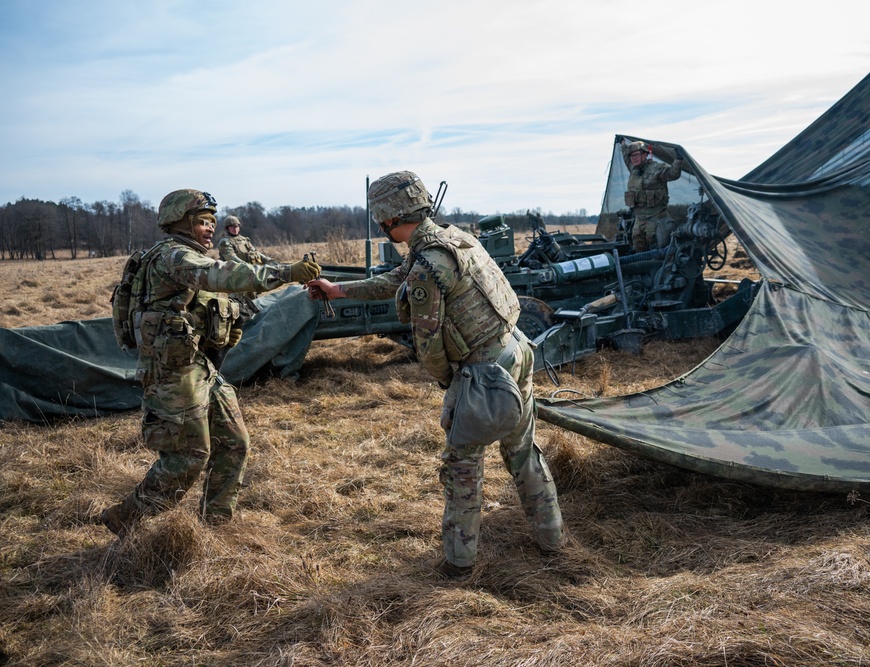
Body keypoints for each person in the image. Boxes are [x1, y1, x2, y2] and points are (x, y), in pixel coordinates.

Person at [306, 171, 566, 580]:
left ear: (387, 219)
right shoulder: (451, 237)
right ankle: (554, 542)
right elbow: (399, 279)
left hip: (483, 374)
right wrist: (340, 290)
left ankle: (458, 566)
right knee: (524, 454)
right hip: (516, 350)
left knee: (462, 467)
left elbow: (427, 345)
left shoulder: (428, 262)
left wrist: (450, 385)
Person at [100, 189, 321, 537]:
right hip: (173, 374)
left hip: (200, 366)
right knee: (188, 456)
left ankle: (214, 525)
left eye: (212, 222)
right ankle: (126, 517)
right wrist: (286, 272)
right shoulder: (173, 257)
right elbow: (222, 275)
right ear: (181, 223)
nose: (209, 229)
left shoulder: (186, 256)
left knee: (234, 443)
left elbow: (220, 300)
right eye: (202, 222)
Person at [622, 139, 685, 252]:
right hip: (639, 217)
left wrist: (678, 159)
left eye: (636, 155)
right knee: (637, 243)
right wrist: (622, 144)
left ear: (645, 154)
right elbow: (626, 158)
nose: (633, 158)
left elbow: (673, 174)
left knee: (655, 244)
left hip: (656, 216)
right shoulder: (634, 170)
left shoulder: (656, 168)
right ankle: (643, 268)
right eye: (631, 156)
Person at [217, 215, 279, 302]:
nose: (235, 229)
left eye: (236, 226)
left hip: (250, 276)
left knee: (253, 300)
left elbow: (256, 253)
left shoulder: (244, 240)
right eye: (232, 227)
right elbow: (231, 257)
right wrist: (248, 267)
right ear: (227, 228)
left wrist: (269, 260)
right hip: (235, 277)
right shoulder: (225, 242)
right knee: (239, 302)